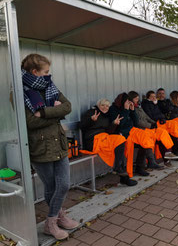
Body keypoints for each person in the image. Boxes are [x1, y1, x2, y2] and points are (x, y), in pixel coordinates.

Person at [21, 54, 79, 240]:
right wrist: (56, 111)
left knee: (63, 184)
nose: (48, 74)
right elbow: (30, 122)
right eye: (45, 71)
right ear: (34, 72)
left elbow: (68, 106)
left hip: (59, 143)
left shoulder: (50, 86)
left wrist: (44, 112)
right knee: (52, 186)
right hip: (41, 147)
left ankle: (53, 219)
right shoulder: (20, 91)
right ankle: (55, 221)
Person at [80, 98, 138, 186]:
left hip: (104, 138)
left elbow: (108, 131)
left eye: (107, 106)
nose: (105, 107)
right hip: (93, 140)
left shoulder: (107, 116)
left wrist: (114, 124)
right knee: (116, 148)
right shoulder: (91, 112)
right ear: (98, 105)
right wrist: (91, 120)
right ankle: (123, 176)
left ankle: (119, 169)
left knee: (120, 139)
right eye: (103, 105)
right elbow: (82, 126)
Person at [109, 93, 157, 176]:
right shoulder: (114, 109)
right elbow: (120, 125)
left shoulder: (128, 108)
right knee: (141, 142)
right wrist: (126, 110)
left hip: (131, 130)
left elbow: (136, 122)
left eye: (129, 102)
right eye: (127, 102)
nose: (128, 103)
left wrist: (132, 110)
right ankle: (131, 170)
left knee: (145, 138)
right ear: (122, 101)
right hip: (122, 133)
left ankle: (145, 165)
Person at [128, 91, 178, 167]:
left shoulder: (138, 106)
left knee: (162, 132)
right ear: (131, 99)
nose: (137, 100)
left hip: (149, 127)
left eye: (138, 98)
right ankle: (154, 162)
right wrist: (150, 125)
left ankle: (168, 152)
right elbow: (138, 122)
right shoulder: (131, 108)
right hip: (142, 129)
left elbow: (146, 117)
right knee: (157, 138)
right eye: (135, 99)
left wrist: (153, 123)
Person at [142, 90, 178, 160]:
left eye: (154, 96)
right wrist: (161, 116)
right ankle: (177, 149)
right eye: (152, 97)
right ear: (148, 98)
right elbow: (151, 116)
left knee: (175, 125)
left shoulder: (158, 103)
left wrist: (162, 117)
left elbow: (161, 113)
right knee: (169, 130)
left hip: (162, 120)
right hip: (156, 123)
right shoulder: (146, 104)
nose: (154, 98)